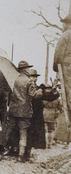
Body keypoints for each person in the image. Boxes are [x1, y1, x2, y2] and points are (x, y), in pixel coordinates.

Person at [5, 61, 43, 162]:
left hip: (13, 109)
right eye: (27, 68)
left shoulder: (13, 80)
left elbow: (9, 94)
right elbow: (33, 95)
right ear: (25, 69)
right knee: (23, 133)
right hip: (25, 111)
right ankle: (20, 155)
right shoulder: (29, 81)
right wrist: (39, 92)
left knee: (8, 130)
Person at [25, 69, 59, 160]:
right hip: (28, 113)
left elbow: (49, 97)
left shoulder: (39, 88)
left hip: (36, 115)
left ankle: (28, 152)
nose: (34, 78)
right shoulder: (28, 86)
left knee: (34, 134)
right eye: (32, 76)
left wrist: (54, 89)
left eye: (35, 77)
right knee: (26, 133)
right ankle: (23, 153)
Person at [53, 14, 71, 148]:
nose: (63, 26)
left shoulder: (66, 35)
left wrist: (56, 67)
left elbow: (59, 54)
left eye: (65, 23)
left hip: (68, 66)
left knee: (68, 93)